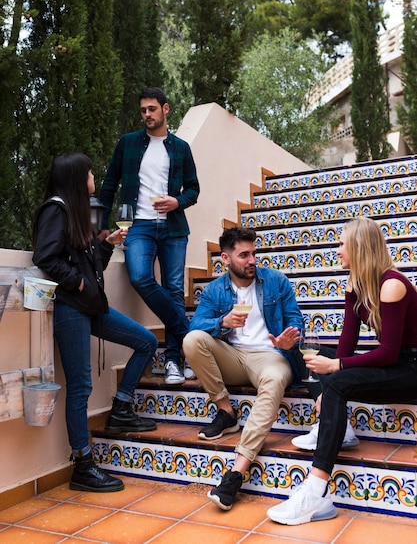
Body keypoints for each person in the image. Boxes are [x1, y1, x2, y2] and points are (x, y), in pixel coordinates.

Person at [267, 216, 417, 526]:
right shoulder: (355, 284)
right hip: (395, 362)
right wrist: (334, 369)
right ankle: (338, 428)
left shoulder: (392, 285)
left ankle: (316, 491)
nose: (336, 250)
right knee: (315, 353)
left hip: (411, 368)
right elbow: (347, 341)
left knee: (336, 377)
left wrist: (336, 372)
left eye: (341, 243)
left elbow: (388, 353)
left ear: (359, 248)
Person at [33, 153, 159, 493]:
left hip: (92, 307)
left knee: (146, 341)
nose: (94, 176)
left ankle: (120, 408)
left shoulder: (76, 215)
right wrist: (77, 283)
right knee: (81, 387)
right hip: (72, 309)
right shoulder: (55, 210)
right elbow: (44, 256)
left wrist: (105, 244)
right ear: (77, 177)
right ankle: (83, 465)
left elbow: (94, 266)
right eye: (90, 172)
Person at [183, 226, 304, 511]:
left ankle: (236, 472)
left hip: (269, 355)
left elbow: (295, 319)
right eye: (244, 255)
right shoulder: (214, 290)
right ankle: (226, 412)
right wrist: (222, 323)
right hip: (233, 356)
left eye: (254, 253)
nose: (251, 260)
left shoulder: (275, 281)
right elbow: (195, 326)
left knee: (274, 380)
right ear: (225, 258)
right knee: (192, 340)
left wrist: (289, 339)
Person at [99, 87, 199, 385]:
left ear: (165, 109)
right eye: (143, 110)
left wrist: (176, 201)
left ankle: (172, 360)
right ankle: (190, 341)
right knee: (140, 277)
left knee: (174, 291)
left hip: (173, 227)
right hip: (138, 225)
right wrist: (103, 226)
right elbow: (108, 184)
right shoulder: (128, 143)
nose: (147, 115)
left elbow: (194, 189)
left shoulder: (180, 147)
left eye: (152, 109)